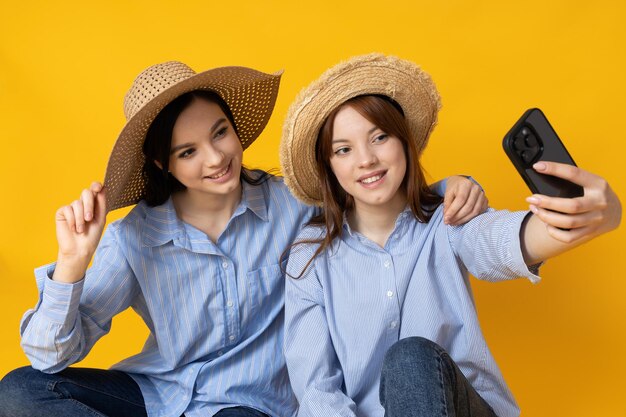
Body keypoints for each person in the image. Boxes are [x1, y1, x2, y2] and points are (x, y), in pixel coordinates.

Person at [0, 61, 484, 417]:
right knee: (19, 391)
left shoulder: (293, 204)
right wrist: (72, 262)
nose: (215, 158)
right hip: (158, 394)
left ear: (235, 129)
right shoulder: (135, 238)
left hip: (252, 404)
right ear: (163, 165)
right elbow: (49, 356)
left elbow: (371, 197)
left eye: (220, 134)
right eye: (188, 151)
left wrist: (446, 189)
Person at [279, 54, 622, 417]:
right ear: (330, 167)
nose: (366, 159)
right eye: (343, 149)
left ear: (404, 142)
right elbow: (316, 391)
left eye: (379, 137)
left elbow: (501, 242)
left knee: (410, 356)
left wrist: (583, 218)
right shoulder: (311, 258)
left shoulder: (449, 216)